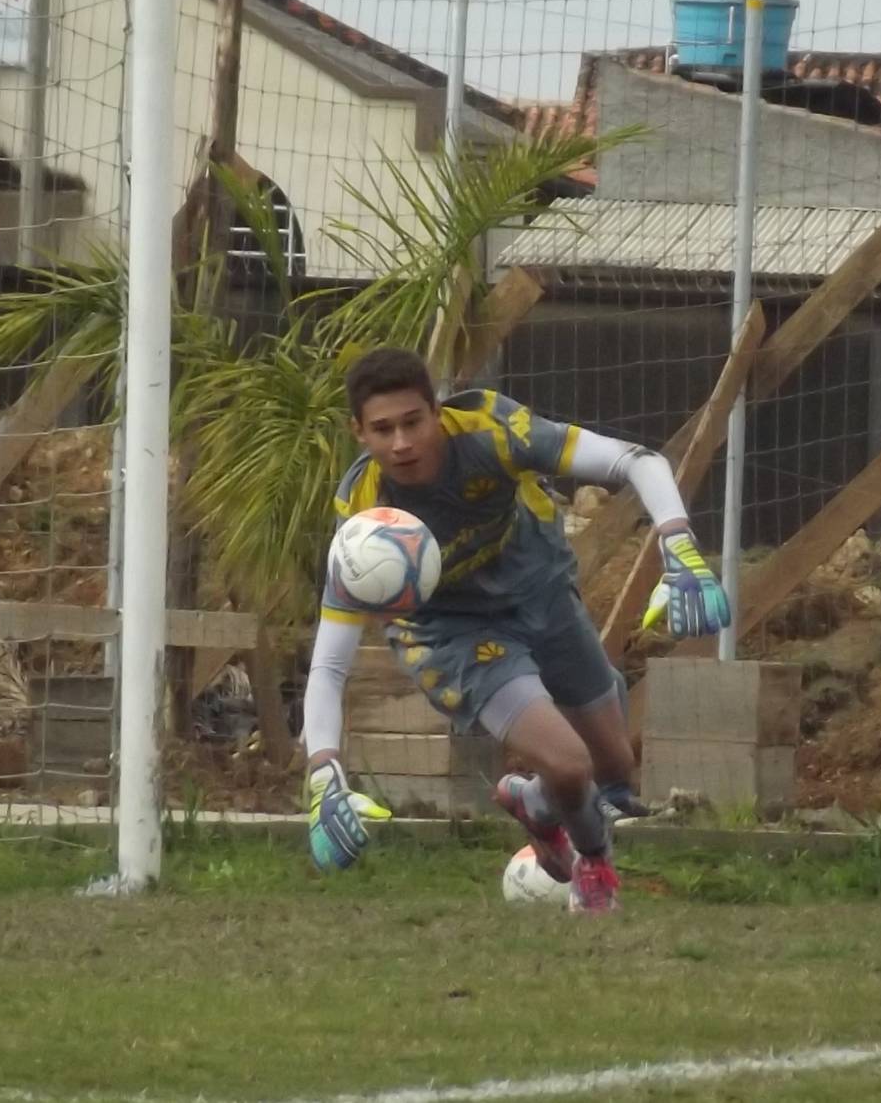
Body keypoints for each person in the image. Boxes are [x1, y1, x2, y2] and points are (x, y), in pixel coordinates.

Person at [301, 346, 729, 913]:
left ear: (437, 412)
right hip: (453, 636)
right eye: (383, 429)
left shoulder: (491, 431)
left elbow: (637, 460)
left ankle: (536, 804)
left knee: (612, 769)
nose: (401, 442)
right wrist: (323, 774)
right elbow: (329, 665)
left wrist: (679, 546)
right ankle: (593, 867)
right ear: (359, 432)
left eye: (413, 422)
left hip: (541, 594)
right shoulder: (362, 519)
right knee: (568, 762)